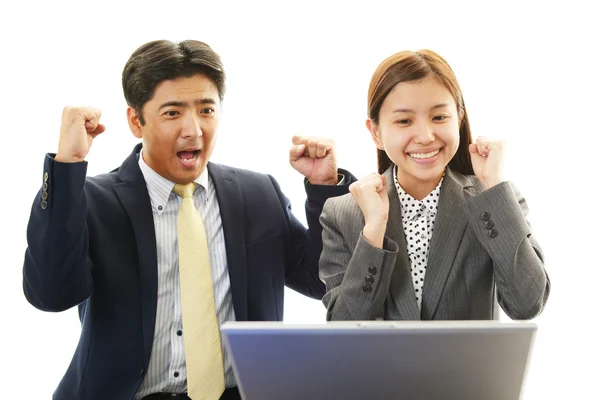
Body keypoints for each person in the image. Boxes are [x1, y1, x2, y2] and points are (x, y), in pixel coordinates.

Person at [22, 39, 355, 400]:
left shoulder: (258, 194)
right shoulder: (93, 202)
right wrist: (67, 166)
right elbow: (51, 295)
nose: (193, 129)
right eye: (172, 112)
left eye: (206, 110)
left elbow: (321, 281)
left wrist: (324, 186)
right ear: (136, 120)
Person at [319, 49, 550, 322]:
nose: (426, 136)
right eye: (404, 121)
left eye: (439, 117)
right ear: (376, 132)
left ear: (459, 118)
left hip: (466, 367)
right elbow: (343, 330)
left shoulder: (493, 199)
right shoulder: (342, 213)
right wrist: (373, 232)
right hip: (380, 367)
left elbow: (527, 304)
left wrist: (493, 187)